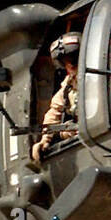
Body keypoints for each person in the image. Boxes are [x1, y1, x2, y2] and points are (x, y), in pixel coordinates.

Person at [31, 32, 81, 162]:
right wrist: (44, 140)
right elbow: (54, 112)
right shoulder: (68, 86)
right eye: (66, 62)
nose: (70, 65)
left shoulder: (99, 77)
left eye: (74, 59)